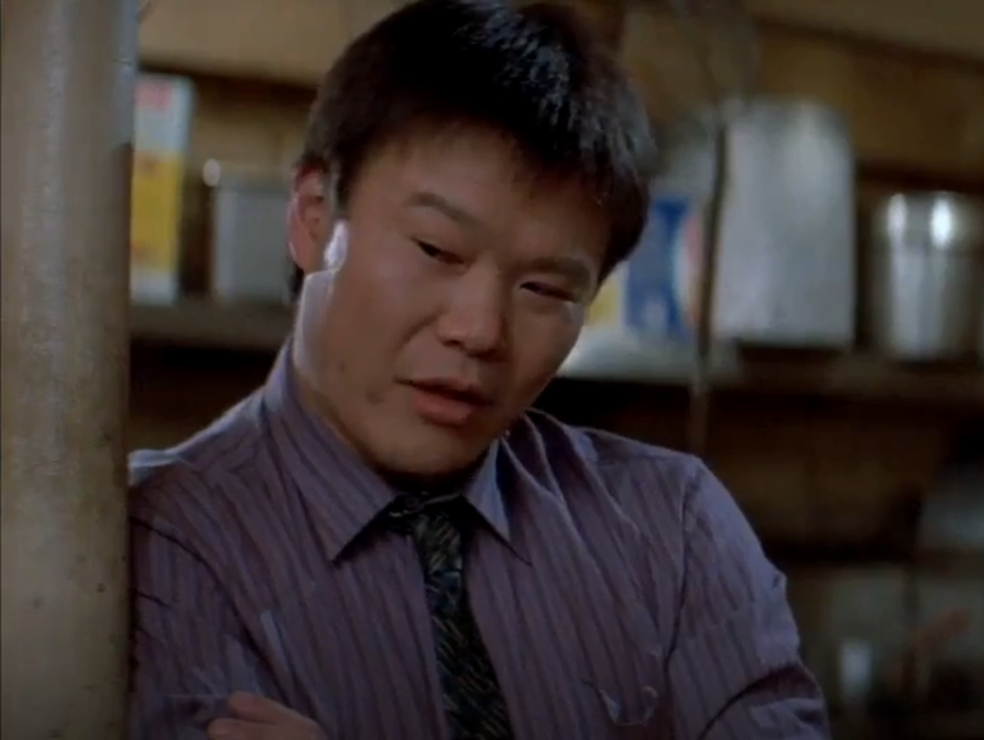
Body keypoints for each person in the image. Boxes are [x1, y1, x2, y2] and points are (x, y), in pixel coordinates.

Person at [126, 1, 830, 738]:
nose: (480, 331)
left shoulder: (673, 534)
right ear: (313, 216)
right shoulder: (155, 546)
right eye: (436, 249)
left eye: (545, 290)